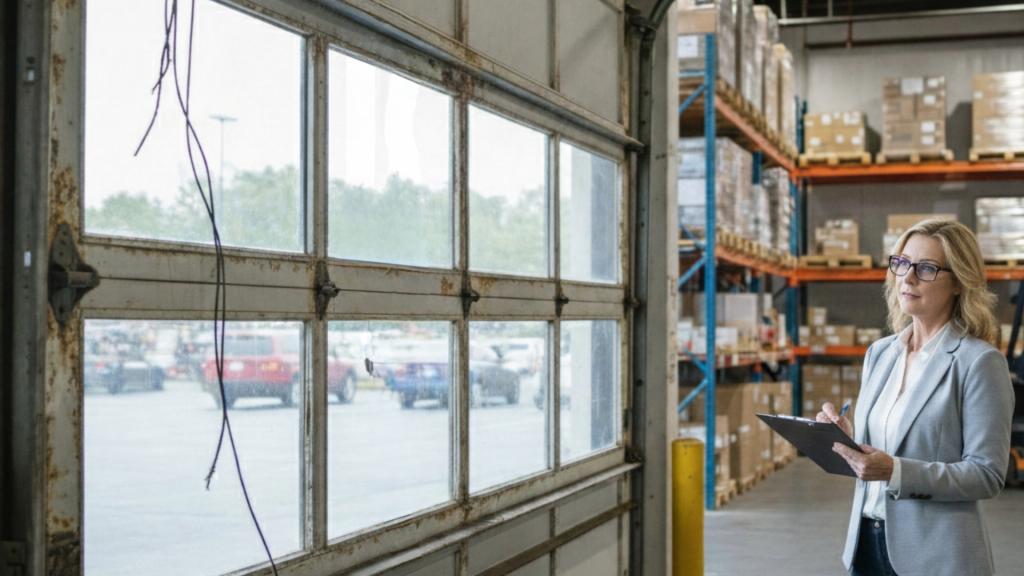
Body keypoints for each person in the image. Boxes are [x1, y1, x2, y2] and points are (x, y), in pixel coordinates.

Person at [816, 219, 1014, 576]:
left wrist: (896, 471)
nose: (907, 277)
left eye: (926, 268)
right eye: (902, 263)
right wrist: (843, 437)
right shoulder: (881, 353)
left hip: (934, 557)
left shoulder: (979, 362)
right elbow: (879, 450)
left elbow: (987, 474)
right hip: (866, 546)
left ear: (958, 281)